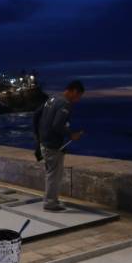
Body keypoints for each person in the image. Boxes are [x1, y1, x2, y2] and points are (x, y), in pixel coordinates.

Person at [33, 80, 85, 212]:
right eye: (78, 96)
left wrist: (38, 137)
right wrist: (71, 135)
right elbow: (57, 125)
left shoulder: (52, 99)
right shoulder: (65, 103)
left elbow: (36, 115)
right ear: (74, 91)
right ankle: (50, 203)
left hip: (44, 142)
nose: (77, 100)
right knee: (54, 175)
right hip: (53, 145)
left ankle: (52, 200)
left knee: (51, 173)